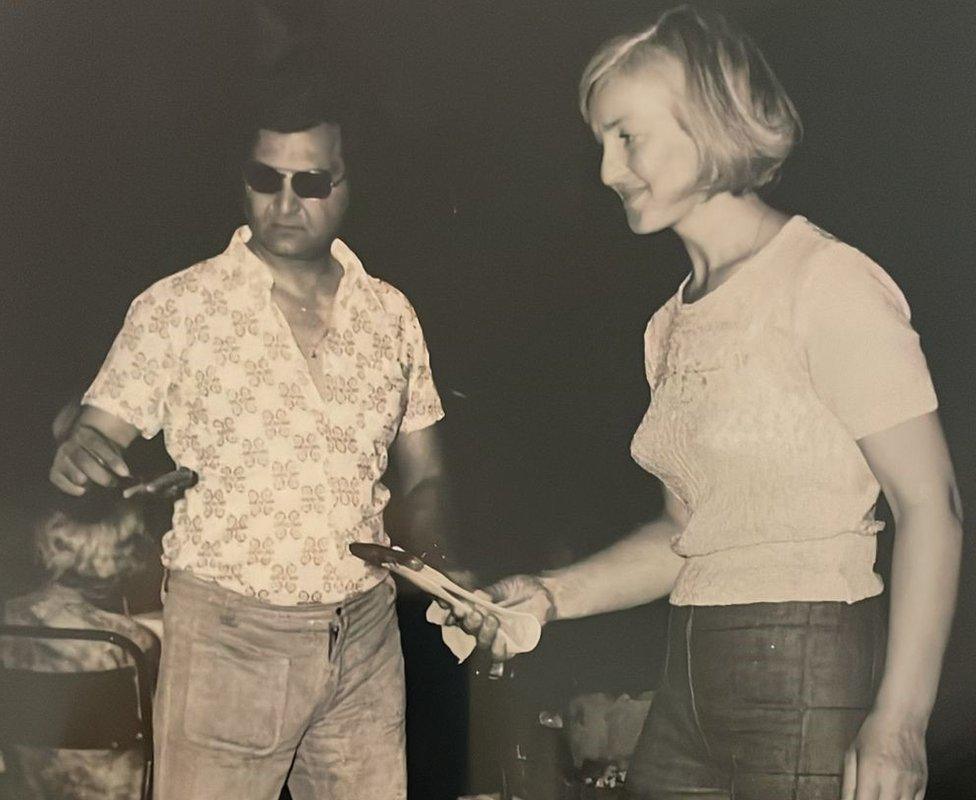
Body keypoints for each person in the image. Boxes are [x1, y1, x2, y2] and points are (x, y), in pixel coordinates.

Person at [457, 6, 963, 800]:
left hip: (807, 656)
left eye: (627, 137)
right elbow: (686, 534)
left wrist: (900, 721)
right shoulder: (670, 325)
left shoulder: (824, 281)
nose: (607, 170)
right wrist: (550, 596)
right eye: (600, 143)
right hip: (691, 666)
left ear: (709, 121)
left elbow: (932, 504)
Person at [48, 73, 453, 800]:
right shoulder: (176, 308)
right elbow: (90, 432)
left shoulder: (392, 314)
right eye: (266, 178)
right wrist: (75, 449)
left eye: (312, 180)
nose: (286, 202)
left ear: (350, 184)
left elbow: (424, 474)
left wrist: (434, 562)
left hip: (363, 635)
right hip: (229, 635)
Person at [1, 492, 159, 800]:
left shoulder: (7, 619)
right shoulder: (130, 643)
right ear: (115, 551)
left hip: (30, 787)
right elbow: (159, 732)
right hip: (118, 789)